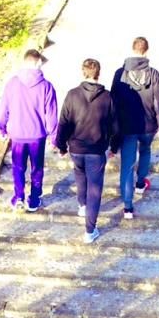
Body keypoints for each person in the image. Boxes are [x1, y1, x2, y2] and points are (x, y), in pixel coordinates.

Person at [55, 58, 119, 243]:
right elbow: (115, 127)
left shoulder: (72, 95)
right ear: (98, 73)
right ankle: (90, 231)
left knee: (79, 175)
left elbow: (64, 123)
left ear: (83, 73)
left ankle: (82, 206)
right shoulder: (107, 97)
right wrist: (114, 147)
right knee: (95, 188)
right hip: (96, 151)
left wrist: (61, 146)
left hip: (76, 148)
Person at [110, 36, 159, 219]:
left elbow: (113, 102)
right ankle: (140, 183)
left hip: (127, 126)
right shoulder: (153, 74)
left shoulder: (120, 73)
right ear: (147, 50)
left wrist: (112, 129)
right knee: (145, 151)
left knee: (127, 165)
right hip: (148, 124)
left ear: (132, 48)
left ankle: (128, 206)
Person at [0, 49, 59, 212]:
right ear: (38, 62)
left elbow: (4, 109)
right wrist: (54, 137)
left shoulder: (12, 83)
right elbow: (51, 116)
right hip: (37, 136)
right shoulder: (47, 87)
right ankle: (34, 199)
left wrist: (1, 128)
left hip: (17, 135)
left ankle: (19, 197)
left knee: (18, 168)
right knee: (37, 168)